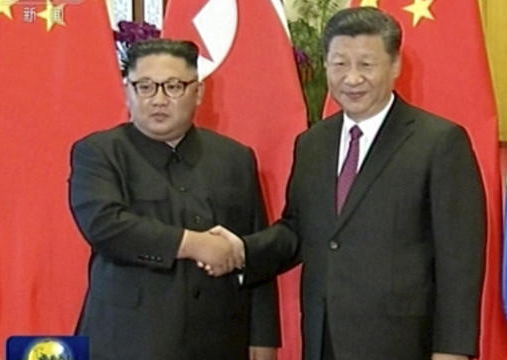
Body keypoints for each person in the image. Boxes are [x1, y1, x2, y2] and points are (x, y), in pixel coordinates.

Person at [208, 7, 485, 360]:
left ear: (395, 65)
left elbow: (459, 260)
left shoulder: (439, 142)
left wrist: (453, 352)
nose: (352, 78)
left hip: (403, 343)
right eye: (339, 64)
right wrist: (240, 250)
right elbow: (297, 232)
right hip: (325, 338)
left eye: (366, 65)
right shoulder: (312, 143)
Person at [68, 39, 278, 360]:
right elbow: (105, 226)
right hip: (126, 341)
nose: (158, 100)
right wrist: (193, 244)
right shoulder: (99, 152)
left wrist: (263, 340)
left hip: (219, 340)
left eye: (173, 87)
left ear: (199, 92)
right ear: (128, 92)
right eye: (146, 87)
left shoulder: (235, 157)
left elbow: (255, 251)